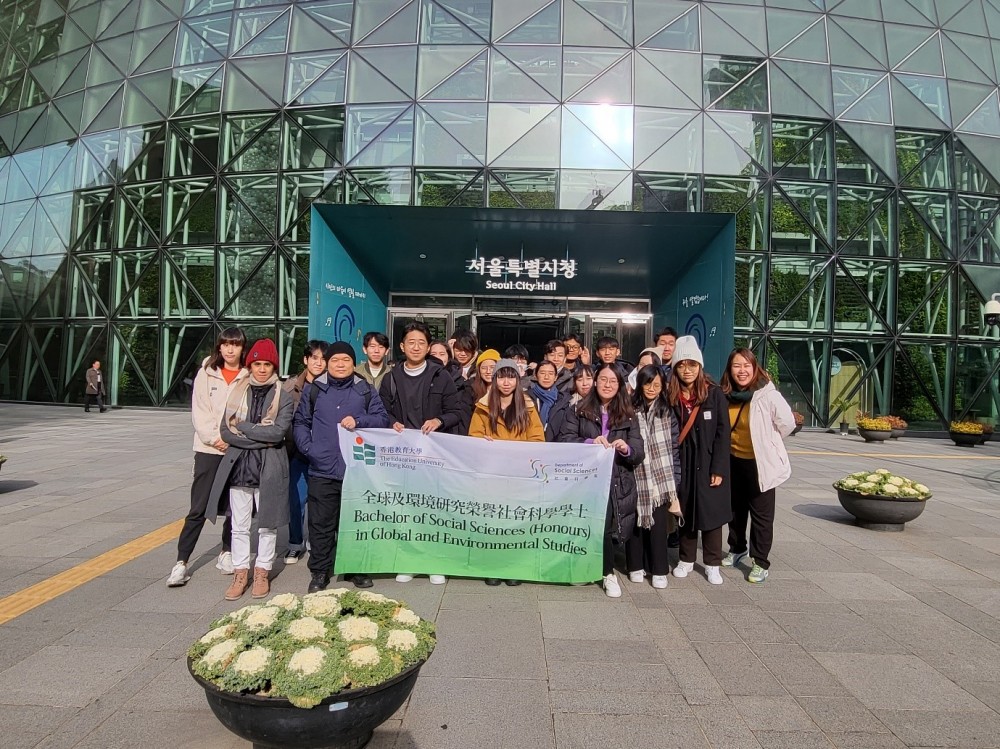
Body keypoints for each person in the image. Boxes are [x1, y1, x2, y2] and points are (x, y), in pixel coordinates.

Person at [294, 341, 391, 592]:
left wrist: (359, 420)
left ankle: (357, 568)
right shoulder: (314, 389)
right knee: (321, 523)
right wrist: (309, 449)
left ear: (353, 363)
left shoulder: (365, 389)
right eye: (335, 360)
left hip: (356, 469)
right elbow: (301, 422)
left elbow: (382, 420)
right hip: (322, 467)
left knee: (356, 521)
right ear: (327, 363)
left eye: (345, 360)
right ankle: (319, 571)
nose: (340, 364)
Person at [379, 321, 465, 585]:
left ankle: (434, 561)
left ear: (428, 347)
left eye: (421, 342)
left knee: (434, 509)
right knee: (407, 508)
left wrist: (439, 421)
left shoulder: (441, 376)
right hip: (403, 456)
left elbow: (457, 412)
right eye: (411, 342)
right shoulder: (391, 378)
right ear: (402, 346)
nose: (416, 347)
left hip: (433, 455)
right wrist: (390, 422)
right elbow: (381, 412)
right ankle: (410, 560)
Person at [210, 338, 293, 600]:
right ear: (251, 365)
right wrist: (259, 434)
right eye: (257, 363)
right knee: (239, 525)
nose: (261, 369)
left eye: (267, 364)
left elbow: (278, 433)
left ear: (274, 366)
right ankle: (240, 571)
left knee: (267, 525)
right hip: (240, 467)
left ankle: (262, 571)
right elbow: (226, 430)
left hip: (268, 467)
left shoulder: (284, 395)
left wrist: (245, 428)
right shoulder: (237, 392)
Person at [168, 328, 246, 587]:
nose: (230, 350)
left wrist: (233, 439)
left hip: (236, 450)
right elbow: (199, 411)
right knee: (198, 507)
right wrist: (215, 438)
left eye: (235, 345)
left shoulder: (248, 375)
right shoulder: (206, 373)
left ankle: (226, 551)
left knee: (234, 504)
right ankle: (181, 562)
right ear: (219, 347)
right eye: (226, 344)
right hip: (208, 449)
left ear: (242, 348)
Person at [559, 362, 644, 598]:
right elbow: (565, 440)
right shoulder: (578, 410)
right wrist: (589, 444)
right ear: (595, 382)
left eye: (613, 381)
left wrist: (626, 448)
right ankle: (581, 567)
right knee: (580, 525)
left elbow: (639, 451)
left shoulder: (628, 416)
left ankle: (607, 573)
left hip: (613, 480)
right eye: (603, 380)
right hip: (583, 481)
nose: (607, 385)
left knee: (604, 528)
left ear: (620, 386)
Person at [720, 347, 796, 584]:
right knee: (735, 510)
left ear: (754, 368)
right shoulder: (725, 394)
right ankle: (737, 548)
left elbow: (788, 423)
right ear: (730, 370)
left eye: (746, 366)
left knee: (762, 515)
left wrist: (768, 444)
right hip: (734, 460)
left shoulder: (766, 394)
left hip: (760, 464)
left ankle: (760, 561)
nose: (741, 371)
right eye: (736, 366)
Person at [469, 358, 544, 586]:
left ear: (518, 380)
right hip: (492, 476)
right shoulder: (483, 407)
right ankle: (492, 565)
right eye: (501, 376)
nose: (506, 382)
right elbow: (473, 437)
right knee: (493, 521)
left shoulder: (529, 407)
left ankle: (514, 567)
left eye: (511, 377)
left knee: (516, 522)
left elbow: (538, 439)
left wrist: (520, 452)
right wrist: (484, 441)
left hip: (519, 477)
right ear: (494, 379)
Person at [668, 336, 731, 585]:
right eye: (682, 365)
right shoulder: (670, 395)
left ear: (699, 366)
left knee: (711, 514)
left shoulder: (714, 394)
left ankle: (713, 563)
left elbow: (722, 433)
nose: (687, 370)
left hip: (708, 463)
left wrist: (718, 467)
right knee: (685, 511)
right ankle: (686, 559)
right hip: (682, 462)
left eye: (692, 364)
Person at [628, 365, 681, 590]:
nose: (652, 388)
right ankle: (635, 565)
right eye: (648, 383)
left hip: (661, 478)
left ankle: (659, 569)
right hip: (634, 472)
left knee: (658, 525)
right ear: (640, 383)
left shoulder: (668, 410)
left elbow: (674, 447)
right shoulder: (630, 408)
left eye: (657, 385)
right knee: (634, 522)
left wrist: (675, 480)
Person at [281, 340, 328, 564]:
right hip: (297, 451)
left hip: (324, 452)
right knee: (296, 497)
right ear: (306, 360)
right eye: (315, 358)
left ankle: (315, 542)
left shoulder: (333, 385)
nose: (319, 363)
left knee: (320, 500)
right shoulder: (289, 387)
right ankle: (294, 543)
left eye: (323, 359)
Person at [528, 360, 571, 441]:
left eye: (550, 373)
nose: (546, 377)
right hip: (532, 444)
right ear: (536, 375)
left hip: (556, 446)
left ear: (555, 377)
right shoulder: (526, 397)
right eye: (542, 373)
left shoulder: (563, 400)